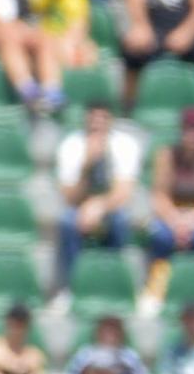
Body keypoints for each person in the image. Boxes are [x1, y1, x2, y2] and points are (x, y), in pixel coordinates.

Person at [55, 102, 143, 294]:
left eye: (102, 119)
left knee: (120, 221)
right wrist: (87, 164)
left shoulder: (124, 144)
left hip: (109, 208)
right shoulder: (72, 145)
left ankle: (114, 282)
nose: (97, 124)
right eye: (93, 119)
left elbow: (124, 192)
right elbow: (70, 196)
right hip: (80, 207)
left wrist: (99, 206)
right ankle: (73, 286)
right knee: (67, 222)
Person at [144, 106, 194, 300]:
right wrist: (176, 220)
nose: (192, 135)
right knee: (162, 238)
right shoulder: (167, 155)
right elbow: (159, 195)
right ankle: (158, 290)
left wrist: (192, 219)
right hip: (172, 214)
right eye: (188, 128)